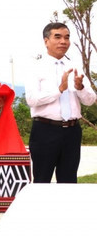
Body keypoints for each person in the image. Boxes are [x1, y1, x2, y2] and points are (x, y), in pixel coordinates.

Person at [25, 22, 96, 183]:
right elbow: (32, 100)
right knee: (42, 180)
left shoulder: (75, 66)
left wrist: (80, 87)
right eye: (57, 37)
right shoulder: (35, 67)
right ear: (46, 41)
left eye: (67, 37)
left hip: (72, 131)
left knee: (69, 181)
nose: (63, 41)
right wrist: (59, 90)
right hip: (44, 130)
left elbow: (90, 100)